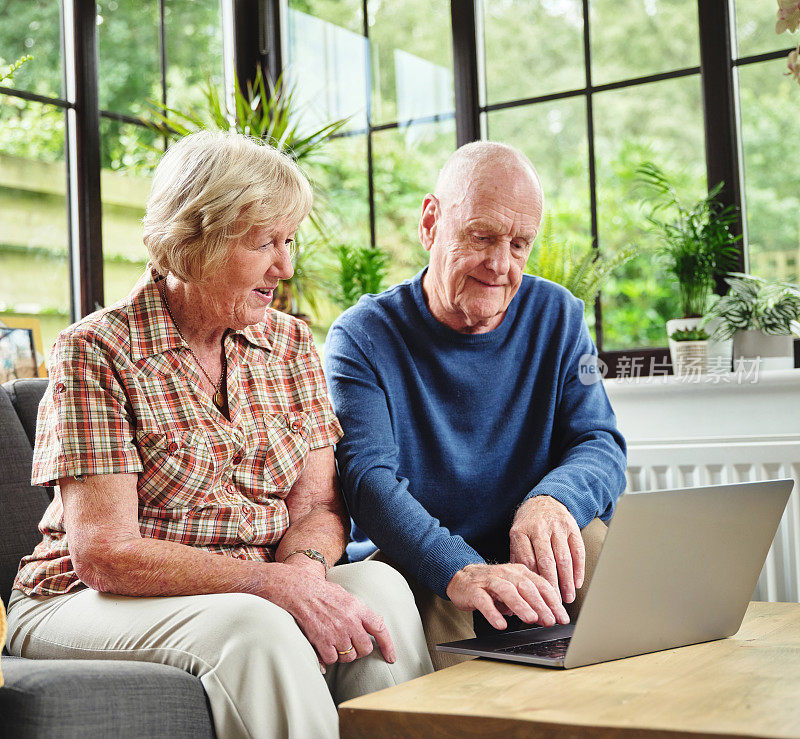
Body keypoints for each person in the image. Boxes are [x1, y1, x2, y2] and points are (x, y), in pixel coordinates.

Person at [5, 131, 433, 738]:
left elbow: (317, 505)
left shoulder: (289, 345)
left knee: (379, 587)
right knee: (256, 628)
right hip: (82, 598)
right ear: (192, 242)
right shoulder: (97, 352)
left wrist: (304, 576)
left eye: (288, 241)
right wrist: (267, 586)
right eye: (265, 243)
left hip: (254, 580)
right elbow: (106, 552)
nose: (285, 266)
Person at [325, 141, 627, 669]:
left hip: (533, 554)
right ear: (430, 223)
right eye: (482, 237)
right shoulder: (363, 336)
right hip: (429, 564)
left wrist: (553, 500)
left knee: (596, 542)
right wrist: (460, 569)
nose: (500, 264)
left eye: (519, 245)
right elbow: (368, 483)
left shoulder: (559, 316)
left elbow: (599, 442)